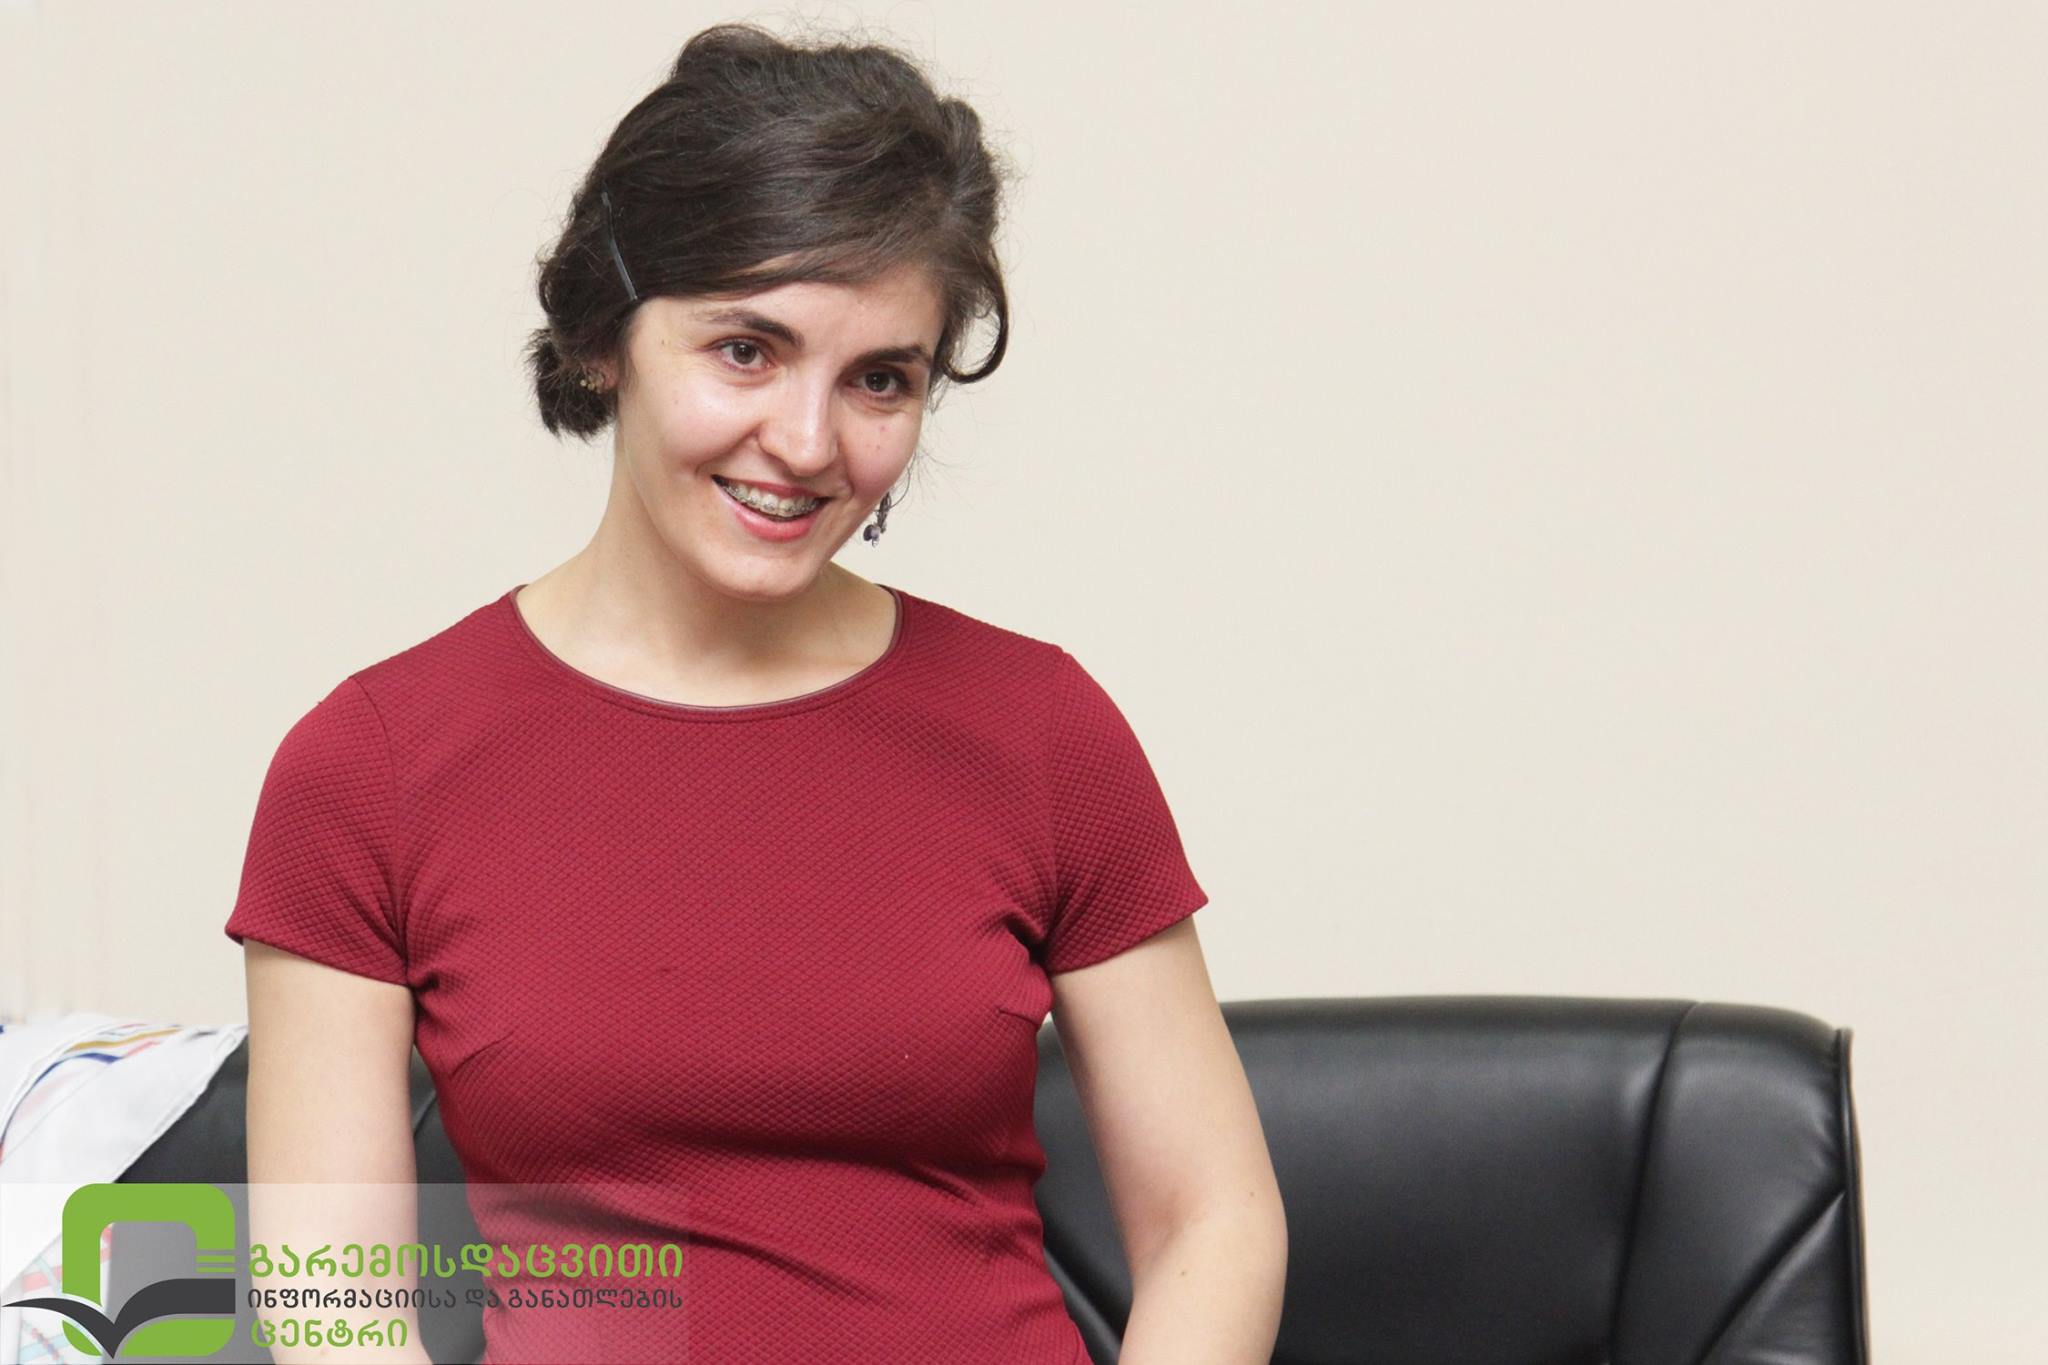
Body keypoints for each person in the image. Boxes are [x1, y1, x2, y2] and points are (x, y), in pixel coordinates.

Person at [224, 22, 1285, 1364]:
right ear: (603, 335)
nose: (806, 441)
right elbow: (336, 1305)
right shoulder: (371, 767)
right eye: (746, 350)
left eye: (880, 379)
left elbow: (1212, 1219)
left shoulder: (1040, 730)